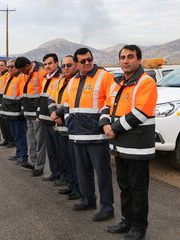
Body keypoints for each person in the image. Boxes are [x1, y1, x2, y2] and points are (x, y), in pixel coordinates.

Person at [102, 45, 157, 240]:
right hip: (120, 146)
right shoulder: (117, 83)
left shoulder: (145, 82)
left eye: (130, 57)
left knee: (138, 190)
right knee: (125, 187)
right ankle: (126, 221)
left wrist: (113, 128)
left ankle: (139, 228)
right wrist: (104, 123)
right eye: (122, 57)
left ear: (139, 60)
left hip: (138, 147)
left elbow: (140, 114)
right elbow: (106, 106)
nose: (125, 60)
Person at [61, 48, 114, 221]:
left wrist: (102, 124)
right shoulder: (73, 80)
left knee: (103, 175)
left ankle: (107, 207)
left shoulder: (104, 76)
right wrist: (69, 121)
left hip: (96, 136)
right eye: (82, 61)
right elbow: (67, 104)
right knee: (82, 172)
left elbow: (111, 101)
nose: (87, 63)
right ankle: (88, 199)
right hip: (77, 134)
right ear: (77, 63)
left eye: (89, 59)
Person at [50, 55, 82, 200]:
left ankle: (78, 188)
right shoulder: (60, 81)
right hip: (59, 126)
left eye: (69, 65)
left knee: (76, 162)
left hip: (71, 127)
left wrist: (58, 113)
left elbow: (72, 104)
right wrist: (54, 113)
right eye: (63, 66)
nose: (66, 68)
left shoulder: (77, 82)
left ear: (76, 65)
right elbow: (51, 98)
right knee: (66, 159)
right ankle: (71, 184)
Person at [15, 56, 46, 177]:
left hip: (37, 113)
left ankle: (39, 166)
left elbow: (44, 95)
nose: (22, 72)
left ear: (28, 65)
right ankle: (32, 162)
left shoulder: (41, 73)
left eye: (22, 70)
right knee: (31, 139)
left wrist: (40, 112)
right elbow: (24, 93)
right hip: (28, 112)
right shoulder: (24, 74)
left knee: (39, 140)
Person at [39, 53, 65, 182]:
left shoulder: (61, 78)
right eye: (45, 64)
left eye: (50, 63)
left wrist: (57, 115)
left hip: (55, 120)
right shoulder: (45, 78)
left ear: (56, 63)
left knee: (59, 150)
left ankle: (63, 176)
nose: (47, 66)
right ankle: (55, 172)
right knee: (51, 150)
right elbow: (43, 99)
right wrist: (39, 114)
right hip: (45, 119)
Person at [0, 59, 28, 163]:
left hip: (16, 111)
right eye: (8, 67)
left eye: (12, 66)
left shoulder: (21, 78)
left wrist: (22, 110)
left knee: (20, 134)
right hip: (9, 111)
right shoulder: (10, 78)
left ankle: (23, 155)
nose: (9, 69)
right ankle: (18, 152)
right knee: (15, 135)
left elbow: (22, 96)